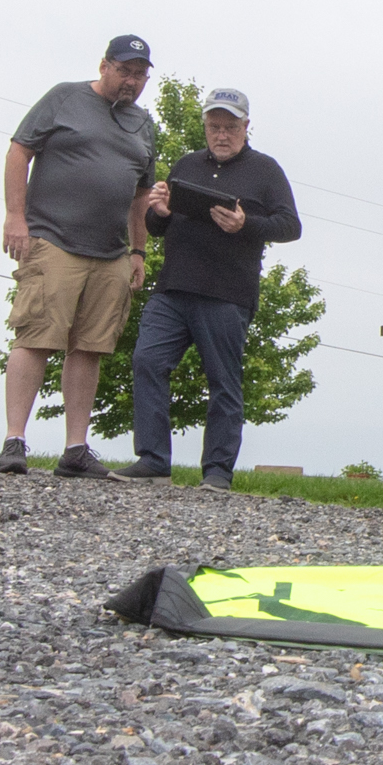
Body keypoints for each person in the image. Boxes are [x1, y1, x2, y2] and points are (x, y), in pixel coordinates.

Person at [0, 35, 169, 478]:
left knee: (91, 347)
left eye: (140, 75)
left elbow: (140, 193)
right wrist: (15, 216)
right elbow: (19, 150)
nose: (131, 81)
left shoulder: (143, 124)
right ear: (104, 66)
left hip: (111, 252)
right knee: (36, 335)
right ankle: (14, 440)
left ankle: (76, 449)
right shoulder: (64, 98)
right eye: (124, 70)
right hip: (53, 239)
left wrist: (137, 250)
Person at [128, 87, 302, 486]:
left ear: (245, 127)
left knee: (223, 381)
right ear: (205, 127)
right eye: (213, 127)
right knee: (147, 361)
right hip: (172, 289)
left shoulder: (265, 170)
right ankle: (153, 461)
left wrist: (247, 225)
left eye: (230, 127)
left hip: (227, 294)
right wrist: (159, 211)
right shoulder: (186, 164)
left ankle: (218, 472)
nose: (221, 135)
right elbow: (158, 227)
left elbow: (290, 226)